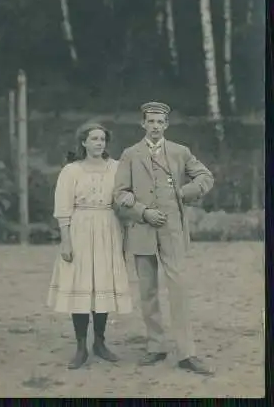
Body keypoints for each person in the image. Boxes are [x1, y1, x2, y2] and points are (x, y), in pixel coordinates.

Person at [113, 102, 214, 375]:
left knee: (178, 289)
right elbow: (120, 194)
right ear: (142, 124)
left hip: (172, 231)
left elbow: (205, 176)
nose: (155, 126)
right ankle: (156, 346)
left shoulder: (180, 152)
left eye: (160, 122)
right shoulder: (130, 155)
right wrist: (143, 212)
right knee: (147, 291)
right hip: (143, 231)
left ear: (166, 125)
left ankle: (186, 352)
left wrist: (185, 192)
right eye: (151, 121)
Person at [47, 122, 133, 369]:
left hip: (109, 227)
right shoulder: (72, 171)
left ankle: (100, 342)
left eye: (102, 139)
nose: (99, 143)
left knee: (103, 284)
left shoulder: (117, 168)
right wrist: (66, 241)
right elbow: (63, 208)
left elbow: (126, 196)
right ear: (83, 142)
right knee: (82, 286)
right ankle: (81, 346)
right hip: (80, 228)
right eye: (94, 139)